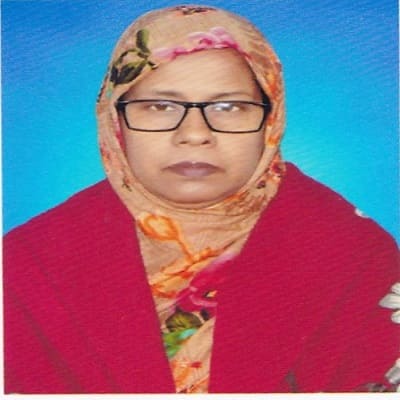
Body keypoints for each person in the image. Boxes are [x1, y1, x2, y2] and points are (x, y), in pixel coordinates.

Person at [4, 4, 399, 394]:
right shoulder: (29, 263)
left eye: (229, 106)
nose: (194, 134)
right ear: (114, 118)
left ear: (271, 118)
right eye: (160, 106)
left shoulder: (355, 253)